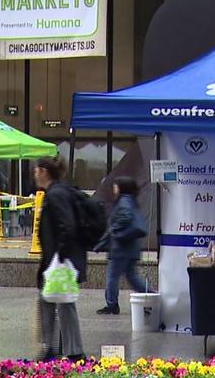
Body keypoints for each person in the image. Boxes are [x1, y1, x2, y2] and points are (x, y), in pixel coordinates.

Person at [35, 155, 85, 361]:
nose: (35, 175)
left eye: (36, 171)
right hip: (60, 258)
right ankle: (53, 347)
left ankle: (71, 350)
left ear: (44, 171)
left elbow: (67, 225)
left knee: (63, 303)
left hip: (61, 260)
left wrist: (61, 255)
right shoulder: (59, 191)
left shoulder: (56, 194)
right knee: (51, 300)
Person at [96, 177, 148, 315]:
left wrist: (114, 229)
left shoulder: (124, 201)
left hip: (121, 247)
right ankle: (150, 296)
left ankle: (112, 304)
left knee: (112, 276)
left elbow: (125, 216)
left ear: (122, 188)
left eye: (116, 186)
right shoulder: (131, 200)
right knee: (132, 276)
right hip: (131, 247)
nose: (114, 188)